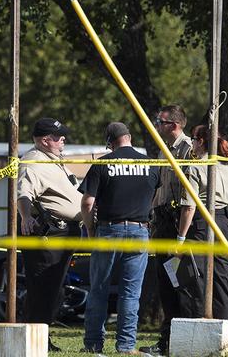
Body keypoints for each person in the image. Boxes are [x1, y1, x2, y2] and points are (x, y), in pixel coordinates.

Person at [80, 122, 159, 355]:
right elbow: (156, 195)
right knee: (131, 293)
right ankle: (125, 346)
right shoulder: (150, 164)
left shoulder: (102, 164)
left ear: (109, 142)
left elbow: (87, 203)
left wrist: (91, 229)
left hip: (108, 230)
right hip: (139, 230)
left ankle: (93, 345)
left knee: (99, 289)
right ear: (130, 138)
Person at [177, 124, 228, 319]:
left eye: (194, 139)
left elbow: (189, 207)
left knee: (194, 278)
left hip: (200, 223)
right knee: (221, 279)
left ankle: (196, 328)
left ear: (201, 141)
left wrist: (180, 239)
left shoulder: (195, 167)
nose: (192, 144)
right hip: (224, 223)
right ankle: (224, 327)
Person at [17, 117, 83, 352]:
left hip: (64, 233)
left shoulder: (55, 160)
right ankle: (32, 340)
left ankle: (40, 337)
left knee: (54, 289)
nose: (62, 138)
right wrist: (25, 217)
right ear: (45, 140)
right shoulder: (34, 161)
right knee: (43, 288)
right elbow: (23, 193)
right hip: (49, 234)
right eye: (57, 136)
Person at [140, 105, 192, 356]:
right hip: (162, 221)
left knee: (180, 284)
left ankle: (178, 341)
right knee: (165, 283)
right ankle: (166, 341)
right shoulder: (164, 151)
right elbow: (160, 189)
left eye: (159, 122)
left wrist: (182, 234)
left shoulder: (188, 149)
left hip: (178, 224)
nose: (156, 126)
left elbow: (190, 194)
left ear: (174, 125)